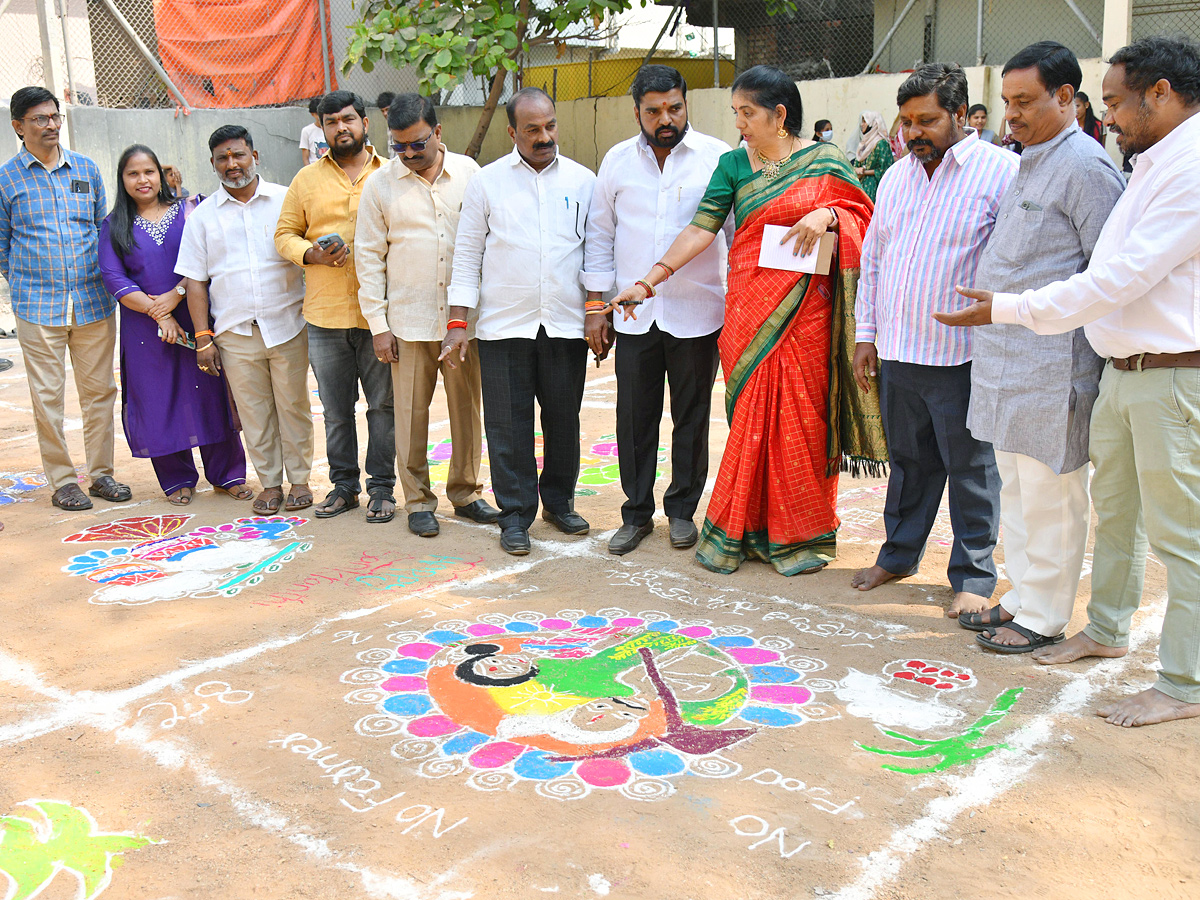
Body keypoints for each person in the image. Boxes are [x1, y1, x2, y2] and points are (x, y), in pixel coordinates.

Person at [938, 36, 1200, 727]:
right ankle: (1065, 614)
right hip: (1073, 364)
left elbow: (1109, 277)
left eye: (1113, 101)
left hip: (1118, 369)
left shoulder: (1129, 166)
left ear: (1162, 92)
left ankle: (1159, 670)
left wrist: (1011, 309)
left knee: (1148, 526)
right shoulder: (1127, 160)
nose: (1107, 115)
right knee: (1065, 505)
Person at [611, 65, 885, 576]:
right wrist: (649, 281)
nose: (738, 123)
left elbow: (866, 218)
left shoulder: (826, 160)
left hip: (807, 318)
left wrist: (828, 216)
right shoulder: (733, 165)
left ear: (779, 115)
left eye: (747, 113)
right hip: (749, 313)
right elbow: (702, 228)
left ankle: (798, 534)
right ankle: (744, 528)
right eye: (735, 112)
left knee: (801, 421)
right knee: (752, 423)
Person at [959, 43, 1125, 653]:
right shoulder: (1028, 159)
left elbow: (1109, 273)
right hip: (1006, 358)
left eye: (1025, 101)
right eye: (1007, 102)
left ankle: (1047, 615)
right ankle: (1024, 595)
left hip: (1055, 364)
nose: (1011, 115)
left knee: (1052, 492)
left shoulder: (1085, 167)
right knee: (1017, 488)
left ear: (1066, 98)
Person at [850, 63, 1017, 617]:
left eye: (927, 120)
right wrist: (866, 335)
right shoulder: (896, 176)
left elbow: (1014, 264)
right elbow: (873, 261)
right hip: (899, 352)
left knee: (971, 470)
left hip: (961, 357)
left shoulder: (1000, 173)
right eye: (906, 122)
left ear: (960, 116)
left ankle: (972, 576)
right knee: (909, 464)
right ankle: (898, 555)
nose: (914, 132)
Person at [583, 65, 731, 555]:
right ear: (637, 112)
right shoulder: (618, 161)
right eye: (654, 111)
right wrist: (597, 307)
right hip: (632, 316)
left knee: (691, 415)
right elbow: (601, 237)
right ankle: (637, 512)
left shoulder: (717, 158)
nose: (665, 119)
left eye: (674, 108)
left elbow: (735, 235)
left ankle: (683, 511)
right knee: (634, 416)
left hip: (698, 312)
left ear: (686, 104)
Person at [442, 87, 595, 556]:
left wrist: (595, 312)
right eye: (532, 130)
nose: (544, 136)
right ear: (512, 132)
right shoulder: (486, 183)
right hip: (505, 326)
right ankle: (515, 515)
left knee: (563, 421)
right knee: (508, 425)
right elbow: (467, 256)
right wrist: (458, 322)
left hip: (565, 324)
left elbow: (596, 251)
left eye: (549, 126)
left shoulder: (584, 180)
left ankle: (559, 503)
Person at [356, 93, 498, 537]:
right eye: (399, 147)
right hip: (408, 322)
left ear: (438, 132)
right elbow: (368, 259)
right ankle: (418, 500)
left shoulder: (472, 176)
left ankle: (466, 493)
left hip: (463, 323)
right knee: (411, 414)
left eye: (418, 144)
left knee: (466, 411)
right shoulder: (381, 185)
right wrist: (379, 327)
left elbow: (488, 243)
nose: (410, 154)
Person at [0, 86, 132, 511]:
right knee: (48, 397)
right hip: (38, 308)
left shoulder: (88, 170)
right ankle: (62, 481)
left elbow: (102, 232)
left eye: (54, 116)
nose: (51, 124)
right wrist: (27, 282)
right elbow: (2, 248)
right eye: (39, 119)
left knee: (100, 393)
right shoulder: (6, 180)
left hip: (93, 302)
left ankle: (101, 475)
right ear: (18, 126)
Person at [98, 144, 250, 505]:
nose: (143, 180)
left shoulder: (191, 209)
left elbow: (208, 257)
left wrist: (178, 293)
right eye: (133, 174)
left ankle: (227, 474)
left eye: (149, 171)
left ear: (161, 174)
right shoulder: (113, 223)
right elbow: (112, 276)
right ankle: (176, 477)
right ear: (122, 180)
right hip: (145, 329)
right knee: (157, 398)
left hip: (195, 316)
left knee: (209, 391)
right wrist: (159, 313)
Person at [176, 125, 315, 515]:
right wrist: (203, 337)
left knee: (294, 407)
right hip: (234, 332)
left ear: (255, 155)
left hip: (288, 323)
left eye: (238, 155)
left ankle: (300, 481)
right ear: (213, 163)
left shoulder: (287, 200)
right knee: (254, 413)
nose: (232, 164)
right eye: (223, 158)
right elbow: (196, 281)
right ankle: (270, 484)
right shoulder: (202, 217)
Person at [275, 90, 396, 523]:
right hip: (325, 316)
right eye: (331, 122)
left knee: (383, 406)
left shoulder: (392, 174)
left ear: (365, 122)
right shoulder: (306, 180)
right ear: (320, 128)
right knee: (336, 410)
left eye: (348, 119)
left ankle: (382, 488)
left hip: (379, 315)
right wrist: (312, 254)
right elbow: (284, 234)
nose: (340, 128)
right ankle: (344, 487)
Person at [852, 109, 894, 201]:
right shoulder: (864, 143)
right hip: (861, 187)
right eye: (862, 122)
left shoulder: (881, 143)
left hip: (874, 188)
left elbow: (885, 170)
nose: (861, 125)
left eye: (865, 122)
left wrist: (864, 172)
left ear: (873, 123)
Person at [299, 98, 327, 166]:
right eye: (317, 114)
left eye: (323, 113)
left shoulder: (332, 128)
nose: (321, 117)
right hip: (315, 169)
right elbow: (305, 158)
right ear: (312, 114)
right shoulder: (307, 131)